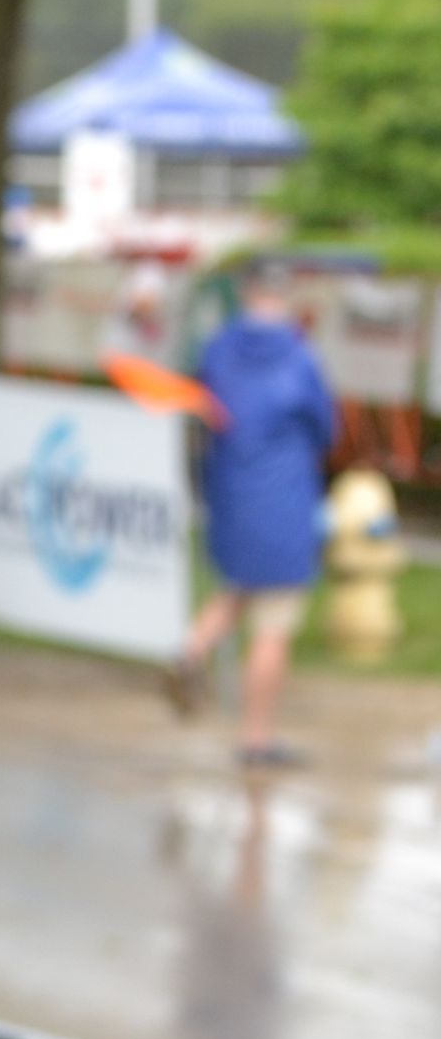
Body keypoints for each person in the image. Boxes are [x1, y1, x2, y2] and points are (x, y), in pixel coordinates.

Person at [171, 260, 339, 765]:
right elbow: (325, 428)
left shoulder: (217, 350)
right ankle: (256, 738)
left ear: (244, 293)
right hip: (283, 500)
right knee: (274, 622)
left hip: (230, 495)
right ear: (285, 295)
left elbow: (203, 409)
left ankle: (190, 651)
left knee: (238, 588)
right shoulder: (298, 357)